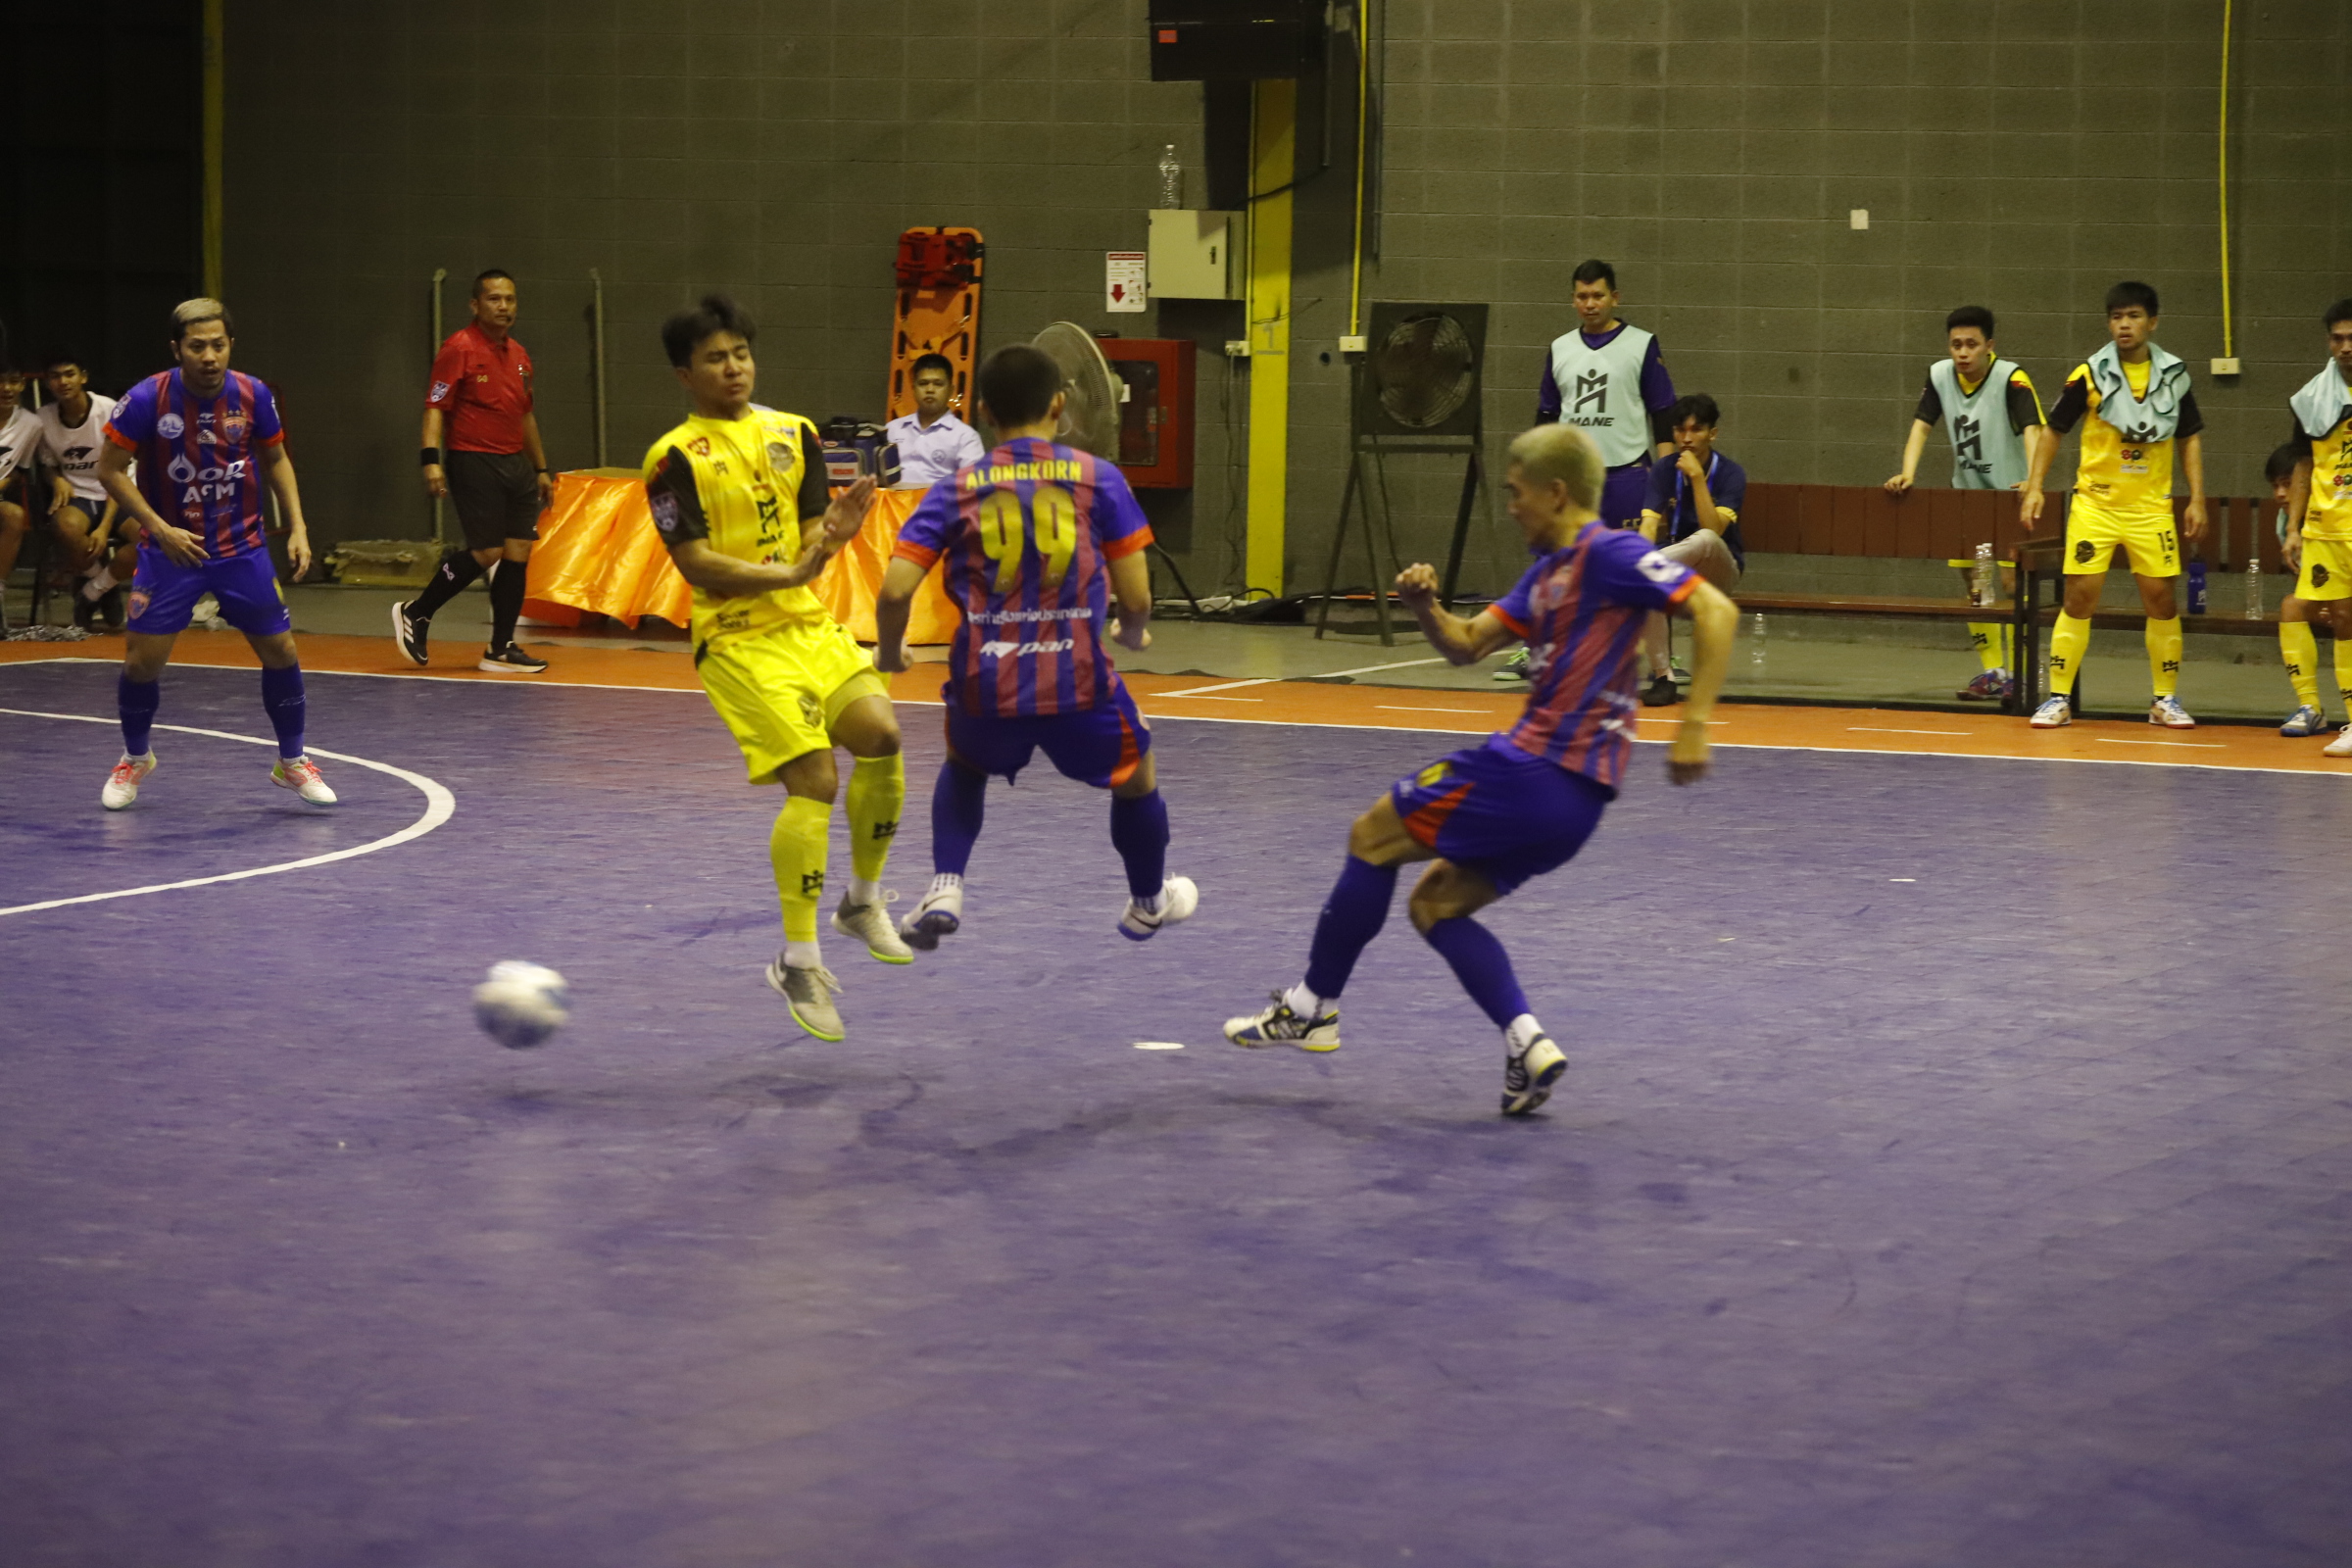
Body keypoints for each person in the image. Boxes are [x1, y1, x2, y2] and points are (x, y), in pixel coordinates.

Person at [1223, 422, 1738, 1116]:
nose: (1511, 508)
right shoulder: (1546, 575)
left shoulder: (1610, 552)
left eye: (1517, 493)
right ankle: (1528, 1045)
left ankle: (1313, 1006)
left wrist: (1694, 721)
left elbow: (1715, 609)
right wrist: (1423, 606)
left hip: (1533, 769)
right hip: (1576, 808)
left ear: (1557, 493)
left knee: (1372, 836)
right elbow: (1466, 645)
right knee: (1436, 906)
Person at [640, 294, 908, 1042]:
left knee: (882, 735)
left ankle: (862, 902)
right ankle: (799, 960)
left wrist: (834, 538)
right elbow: (695, 564)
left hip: (806, 625)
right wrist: (787, 574)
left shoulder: (797, 433)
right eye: (715, 359)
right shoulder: (670, 459)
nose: (734, 368)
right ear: (684, 375)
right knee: (816, 779)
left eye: (741, 354)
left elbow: (812, 541)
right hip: (737, 639)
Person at [872, 343, 1196, 949]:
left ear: (985, 412)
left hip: (986, 681)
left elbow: (894, 591)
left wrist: (890, 652)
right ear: (1059, 404)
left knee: (965, 765)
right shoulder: (1098, 478)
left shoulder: (956, 488)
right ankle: (1148, 903)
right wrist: (1131, 632)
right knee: (1136, 775)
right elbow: (1136, 596)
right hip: (1078, 683)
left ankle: (945, 885)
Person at [93, 298, 332, 809]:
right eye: (197, 346)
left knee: (283, 651)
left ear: (230, 345)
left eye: (218, 345)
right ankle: (135, 757)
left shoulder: (253, 393)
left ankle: (292, 761)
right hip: (170, 553)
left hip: (241, 549)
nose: (209, 356)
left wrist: (298, 526)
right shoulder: (146, 399)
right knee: (141, 664)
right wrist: (159, 529)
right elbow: (108, 470)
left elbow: (276, 458)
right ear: (176, 349)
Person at [2021, 281, 2206, 729]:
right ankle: (2059, 698)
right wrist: (2035, 485)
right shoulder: (2089, 374)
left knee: (2161, 599)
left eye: (2134, 316)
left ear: (2152, 322)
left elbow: (2189, 438)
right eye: (2117, 317)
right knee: (2079, 595)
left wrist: (2197, 497)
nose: (2124, 325)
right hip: (2096, 506)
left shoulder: (2174, 375)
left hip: (2150, 508)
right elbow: (2053, 430)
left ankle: (2164, 700)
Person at [1503, 259, 1679, 685]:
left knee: (1640, 566)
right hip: (1573, 481)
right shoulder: (1560, 348)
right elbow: (1546, 417)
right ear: (1572, 300)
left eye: (1598, 295)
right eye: (1582, 296)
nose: (1590, 303)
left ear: (1614, 297)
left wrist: (1666, 478)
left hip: (1628, 473)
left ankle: (1659, 658)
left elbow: (1663, 414)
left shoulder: (1641, 344)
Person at [1883, 306, 2049, 701]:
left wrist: (2034, 480)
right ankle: (1994, 672)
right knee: (1978, 586)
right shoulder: (1940, 375)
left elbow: (2034, 429)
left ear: (1989, 345)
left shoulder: (2011, 377)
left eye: (1971, 344)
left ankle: (2023, 671)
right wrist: (1908, 472)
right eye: (1956, 344)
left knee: (2011, 583)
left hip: (2011, 497)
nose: (1962, 352)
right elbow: (1922, 426)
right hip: (1968, 496)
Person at [393, 269, 555, 673]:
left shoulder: (520, 357)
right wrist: (430, 460)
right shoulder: (458, 348)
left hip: (515, 464)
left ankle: (500, 648)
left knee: (518, 552)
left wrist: (541, 468)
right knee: (487, 551)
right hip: (472, 459)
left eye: (510, 299)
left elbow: (526, 416)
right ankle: (417, 611)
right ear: (475, 305)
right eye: (494, 299)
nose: (504, 307)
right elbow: (435, 406)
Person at [1634, 393, 1744, 706]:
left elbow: (1714, 529)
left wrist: (1696, 478)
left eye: (1696, 430)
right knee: (1648, 579)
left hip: (1718, 574)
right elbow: (1648, 526)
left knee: (1705, 539)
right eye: (1680, 430)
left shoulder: (1731, 473)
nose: (1686, 438)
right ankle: (1663, 678)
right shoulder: (1664, 469)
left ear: (1712, 434)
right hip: (1678, 570)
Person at [2279, 299, 2352, 757]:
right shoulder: (2311, 400)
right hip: (2328, 529)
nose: (2345, 347)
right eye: (2337, 339)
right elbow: (2303, 467)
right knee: (2344, 619)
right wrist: (2293, 528)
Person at [34, 350, 132, 628]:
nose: (63, 382)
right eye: (55, 376)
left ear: (83, 377)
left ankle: (93, 591)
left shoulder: (109, 409)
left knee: (152, 539)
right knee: (65, 527)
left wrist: (104, 528)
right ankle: (105, 587)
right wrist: (56, 479)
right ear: (47, 383)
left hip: (120, 491)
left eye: (70, 374)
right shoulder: (43, 417)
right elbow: (48, 465)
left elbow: (119, 471)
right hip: (80, 495)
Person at [883, 352, 985, 490]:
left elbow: (974, 485)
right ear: (913, 388)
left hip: (939, 502)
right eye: (923, 383)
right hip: (892, 502)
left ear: (951, 390)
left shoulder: (965, 436)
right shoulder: (892, 429)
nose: (930, 390)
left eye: (938, 384)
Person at [0, 362, 41, 628]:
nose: (6, 388)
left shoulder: (31, 424)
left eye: (13, 381)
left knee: (14, 515)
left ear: (22, 385)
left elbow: (19, 470)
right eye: (0, 381)